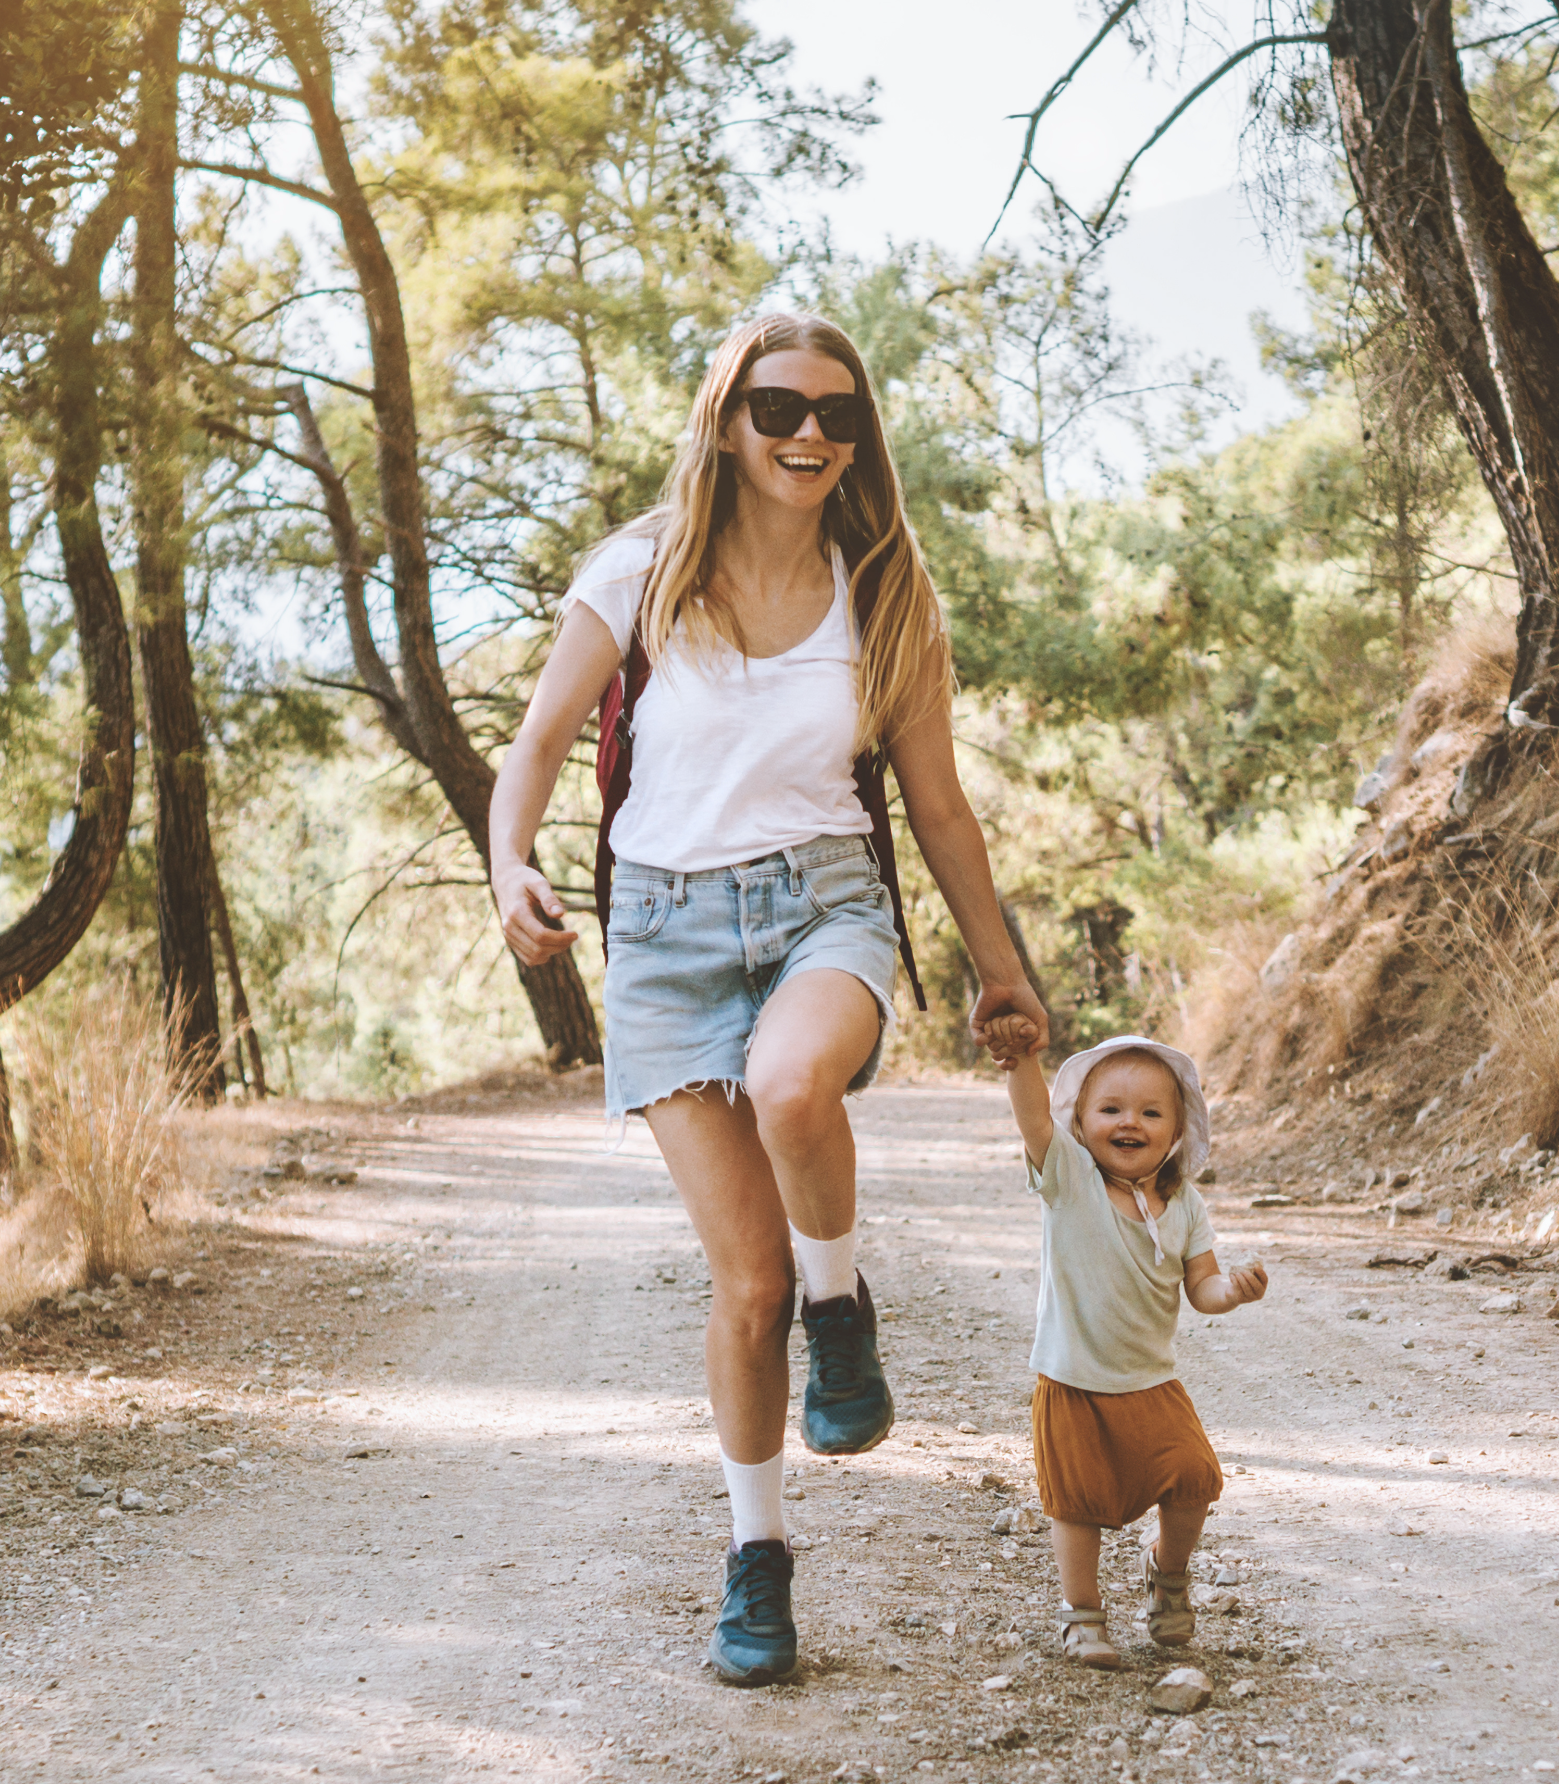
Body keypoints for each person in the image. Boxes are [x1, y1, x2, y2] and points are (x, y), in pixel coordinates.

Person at [489, 313, 1047, 1685]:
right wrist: (510, 862)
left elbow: (938, 805)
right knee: (744, 1292)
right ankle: (758, 1557)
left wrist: (1003, 970)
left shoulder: (886, 584)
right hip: (666, 938)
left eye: (838, 416)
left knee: (798, 1088)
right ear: (727, 420)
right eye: (781, 408)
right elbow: (539, 742)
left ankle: (842, 1305)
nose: (810, 436)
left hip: (825, 905)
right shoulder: (640, 570)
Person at [981, 1022, 1267, 1669]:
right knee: (1075, 1503)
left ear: (1177, 1128)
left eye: (1149, 1111)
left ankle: (1167, 1575)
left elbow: (1203, 1288)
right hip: (1074, 1378)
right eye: (1110, 1109)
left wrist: (1234, 1289)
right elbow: (1032, 1121)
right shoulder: (1070, 1180)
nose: (1129, 1122)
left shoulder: (1185, 1204)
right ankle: (1081, 1614)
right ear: (1080, 1122)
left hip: (1150, 1381)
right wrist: (1023, 1060)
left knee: (1194, 1478)